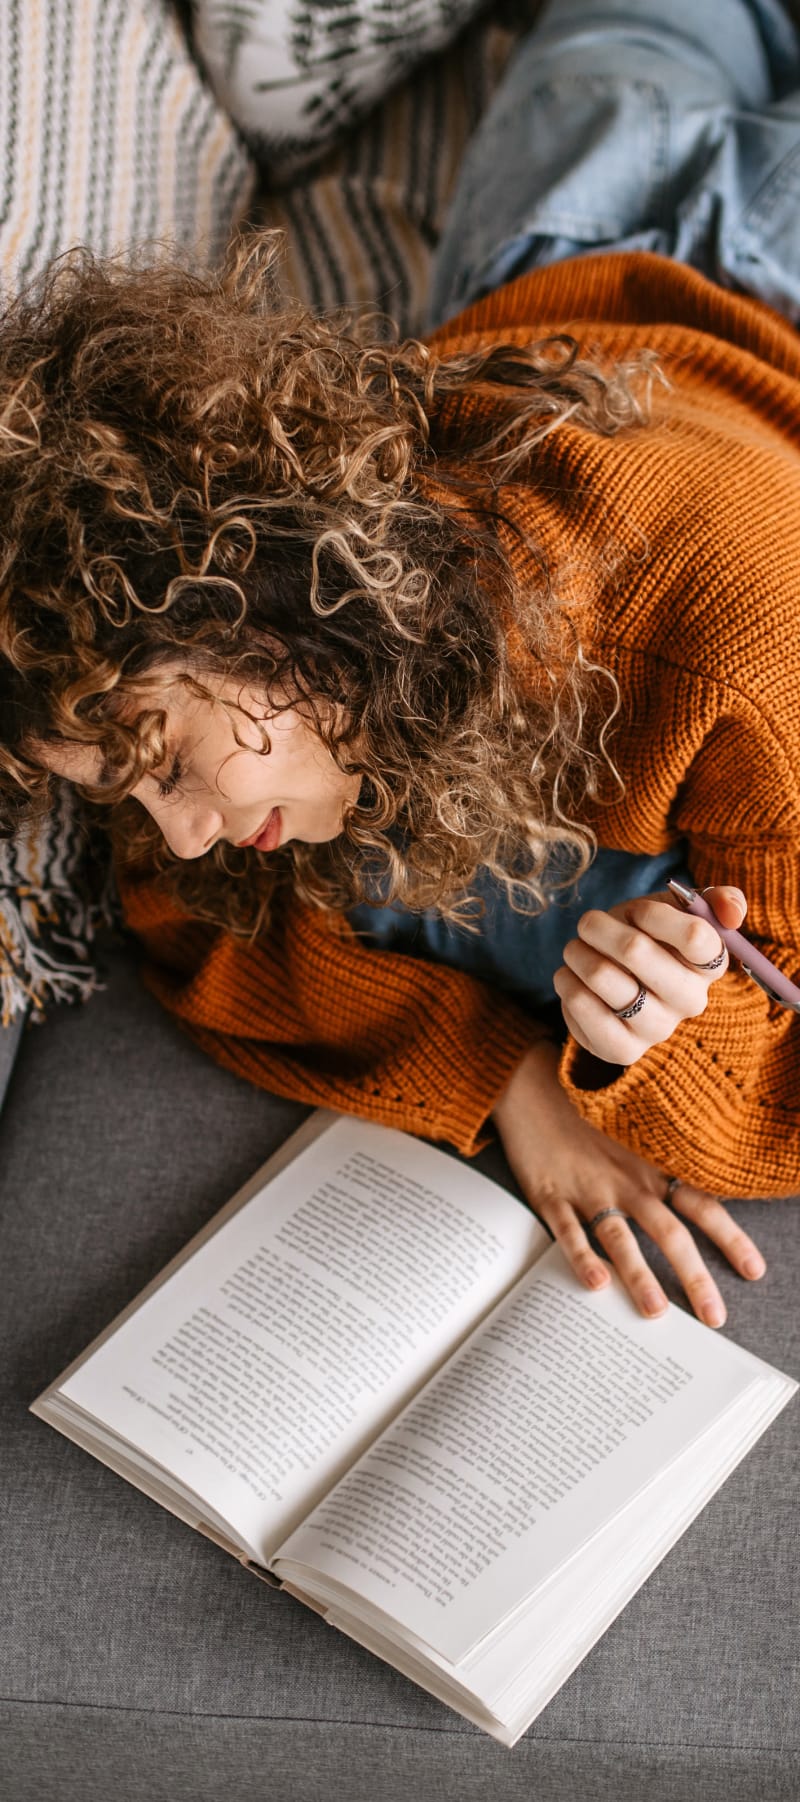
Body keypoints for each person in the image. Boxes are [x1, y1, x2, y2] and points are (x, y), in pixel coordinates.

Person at [1, 0, 799, 1329]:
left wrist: (688, 1049)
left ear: (278, 620)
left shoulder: (730, 654)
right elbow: (195, 941)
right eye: (129, 795)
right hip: (563, 308)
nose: (179, 838)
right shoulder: (218, 733)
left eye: (171, 769)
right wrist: (531, 1071)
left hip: (604, 203)